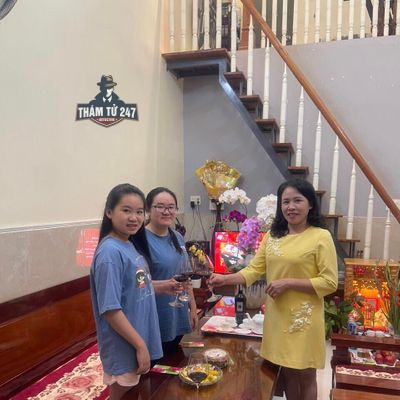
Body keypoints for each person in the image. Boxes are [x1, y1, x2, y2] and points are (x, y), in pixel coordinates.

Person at [210, 179, 338, 400]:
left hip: (304, 320)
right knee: (287, 374)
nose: (291, 207)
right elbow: (253, 270)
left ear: (310, 204)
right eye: (286, 202)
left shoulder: (320, 236)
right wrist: (225, 279)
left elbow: (329, 282)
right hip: (278, 316)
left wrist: (288, 283)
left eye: (297, 200)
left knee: (306, 376)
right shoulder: (272, 236)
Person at [90, 183, 179, 400]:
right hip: (124, 344)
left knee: (136, 392)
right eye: (126, 210)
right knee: (123, 394)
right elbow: (110, 309)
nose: (134, 218)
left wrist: (163, 286)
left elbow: (136, 287)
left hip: (139, 335)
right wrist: (140, 345)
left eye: (139, 212)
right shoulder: (110, 253)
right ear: (109, 212)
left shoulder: (128, 244)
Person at [132, 187, 198, 357]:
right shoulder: (139, 240)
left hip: (178, 313)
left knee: (173, 361)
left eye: (171, 207)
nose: (166, 211)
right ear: (148, 209)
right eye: (160, 206)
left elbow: (185, 276)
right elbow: (136, 282)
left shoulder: (177, 237)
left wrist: (192, 307)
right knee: (156, 365)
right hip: (155, 315)